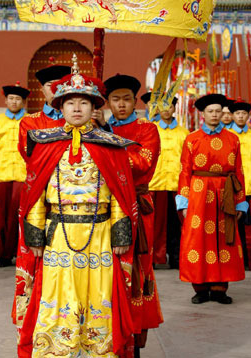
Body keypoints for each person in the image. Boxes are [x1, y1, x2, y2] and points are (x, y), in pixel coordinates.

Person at [14, 68, 139, 358]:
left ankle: (100, 349)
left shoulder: (111, 146)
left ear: (95, 107)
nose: (77, 108)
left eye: (84, 103)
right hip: (59, 233)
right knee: (58, 293)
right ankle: (57, 349)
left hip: (101, 233)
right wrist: (34, 232)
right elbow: (35, 191)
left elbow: (120, 190)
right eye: (70, 103)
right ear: (60, 107)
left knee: (99, 293)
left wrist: (121, 230)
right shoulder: (44, 143)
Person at [104, 74, 163, 355]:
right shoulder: (97, 128)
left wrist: (106, 142)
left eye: (127, 99)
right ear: (107, 102)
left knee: (137, 269)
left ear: (135, 101)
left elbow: (141, 164)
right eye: (116, 99)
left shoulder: (147, 129)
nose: (122, 104)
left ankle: (135, 336)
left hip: (138, 207)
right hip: (104, 209)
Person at [176, 93, 248, 304]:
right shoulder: (192, 139)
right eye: (211, 111)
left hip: (224, 192)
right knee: (198, 241)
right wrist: (184, 201)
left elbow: (239, 172)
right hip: (199, 192)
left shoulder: (233, 139)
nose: (215, 115)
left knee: (224, 240)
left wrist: (240, 200)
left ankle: (219, 289)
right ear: (203, 114)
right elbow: (184, 171)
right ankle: (200, 288)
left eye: (219, 111)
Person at [0, 85, 29, 267]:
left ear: (23, 102)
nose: (14, 102)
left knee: (20, 216)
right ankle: (3, 254)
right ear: (6, 100)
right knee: (0, 215)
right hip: (1, 175)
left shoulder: (29, 121)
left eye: (18, 99)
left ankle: (21, 252)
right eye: (11, 98)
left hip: (22, 175)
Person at [149, 97, 189, 268]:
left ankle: (176, 257)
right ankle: (155, 259)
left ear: (174, 108)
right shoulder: (151, 130)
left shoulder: (184, 133)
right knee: (155, 226)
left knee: (176, 225)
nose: (166, 109)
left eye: (169, 106)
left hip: (176, 185)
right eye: (162, 106)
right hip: (156, 184)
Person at [18, 63, 71, 162]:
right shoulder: (29, 122)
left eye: (59, 85)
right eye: (50, 85)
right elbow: (28, 156)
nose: (55, 90)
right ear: (42, 89)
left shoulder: (79, 119)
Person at [229, 99, 251, 268]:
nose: (241, 116)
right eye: (237, 113)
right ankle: (239, 260)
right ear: (233, 116)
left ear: (248, 115)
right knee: (237, 227)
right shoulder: (228, 136)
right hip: (235, 188)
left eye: (244, 113)